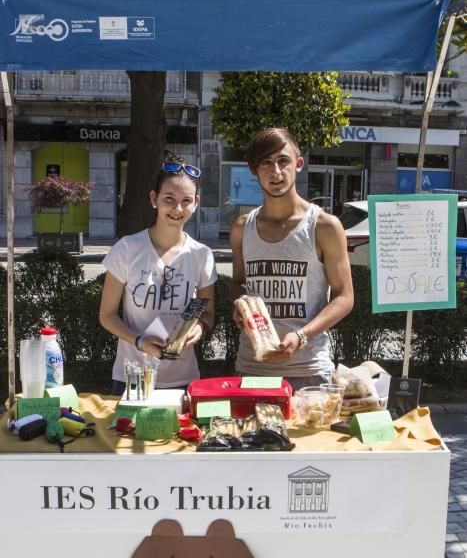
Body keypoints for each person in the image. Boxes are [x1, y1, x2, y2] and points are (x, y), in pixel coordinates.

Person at [230, 127, 354, 391]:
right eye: (265, 163)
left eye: (282, 161)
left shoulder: (324, 226)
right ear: (254, 171)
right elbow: (239, 282)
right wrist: (240, 305)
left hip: (308, 370)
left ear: (298, 164)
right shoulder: (242, 228)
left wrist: (301, 335)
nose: (275, 172)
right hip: (252, 366)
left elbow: (345, 297)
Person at [99, 158, 217, 393]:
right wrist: (140, 342)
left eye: (186, 201)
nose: (178, 209)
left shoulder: (201, 255)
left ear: (196, 203)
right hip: (132, 377)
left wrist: (201, 327)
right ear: (154, 199)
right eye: (169, 199)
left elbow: (208, 312)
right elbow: (107, 315)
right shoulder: (127, 248)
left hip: (183, 380)